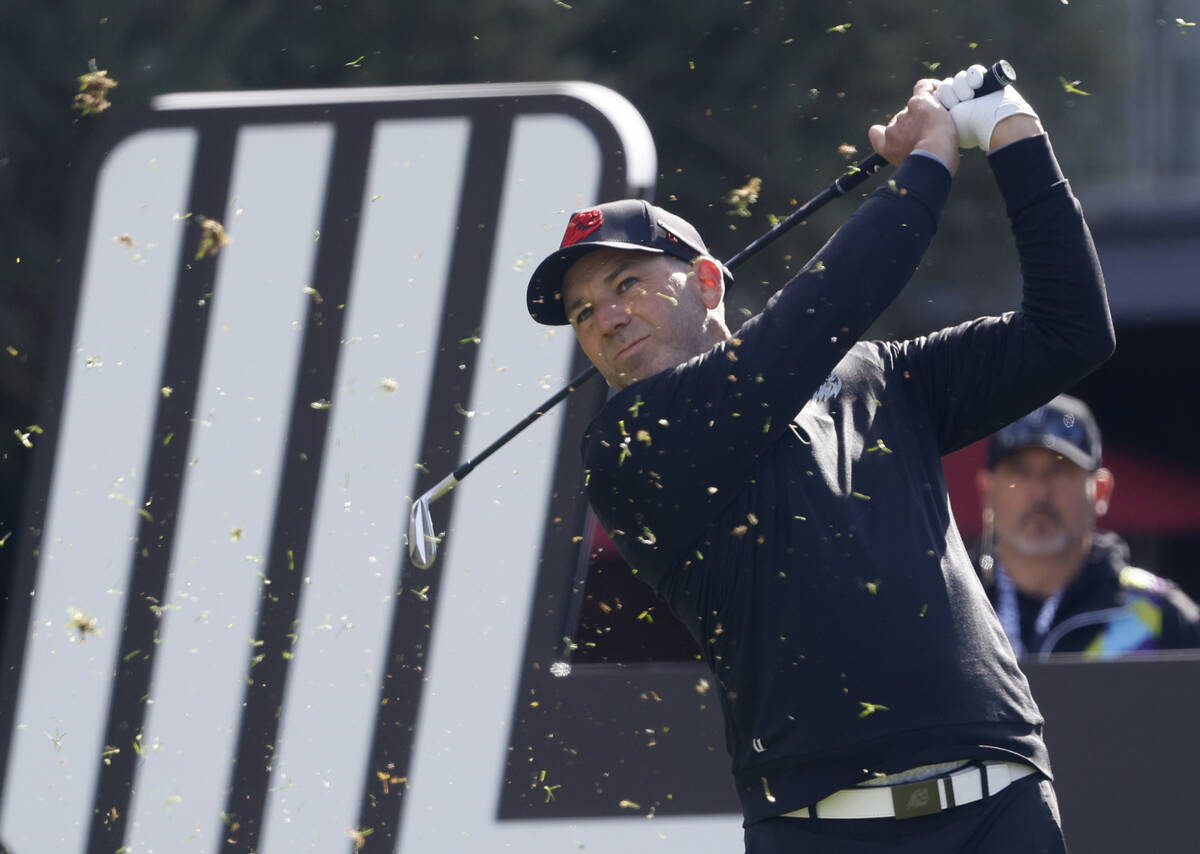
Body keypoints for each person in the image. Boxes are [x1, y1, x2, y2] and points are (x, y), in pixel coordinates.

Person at [525, 65, 1114, 853]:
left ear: (707, 281)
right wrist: (929, 165)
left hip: (999, 807)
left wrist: (1012, 131)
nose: (604, 318)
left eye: (627, 281)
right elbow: (813, 321)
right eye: (581, 311)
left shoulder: (877, 375)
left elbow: (1069, 331)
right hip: (823, 833)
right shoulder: (629, 448)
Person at [976, 394, 1200, 660]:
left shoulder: (1163, 616)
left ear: (1101, 490)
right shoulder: (946, 608)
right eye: (1020, 473)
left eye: (1060, 470)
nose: (1039, 492)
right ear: (987, 493)